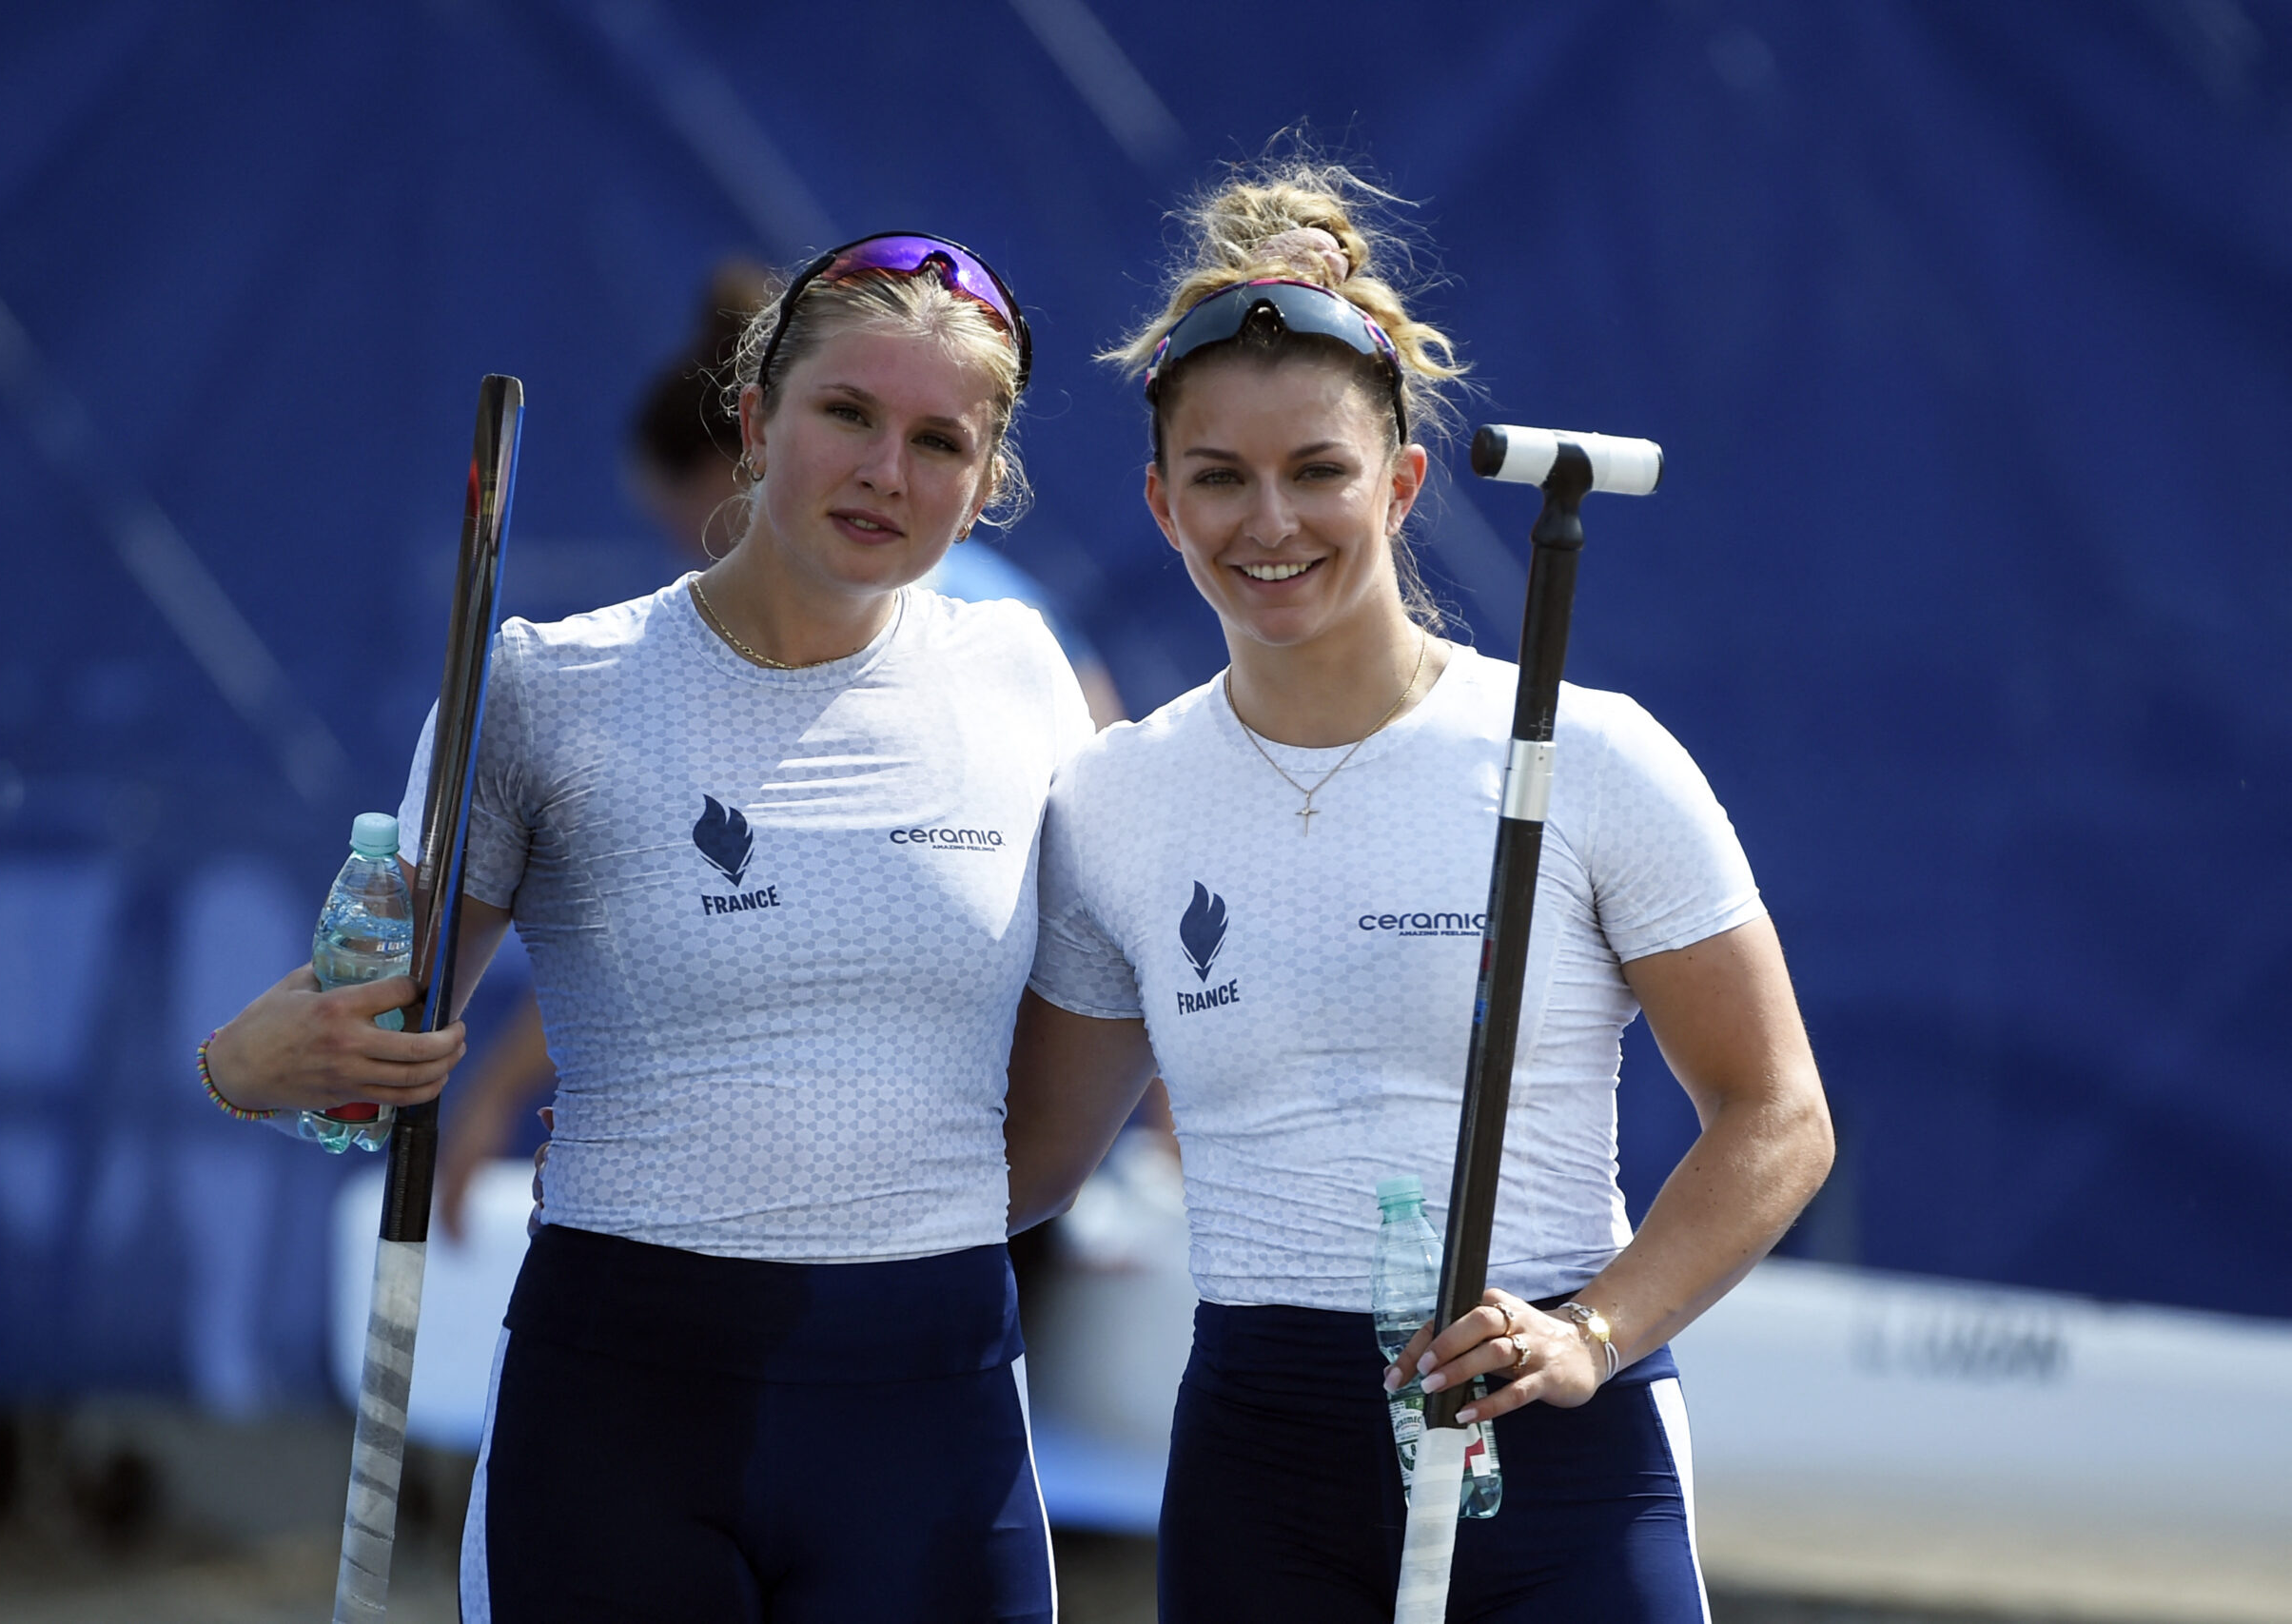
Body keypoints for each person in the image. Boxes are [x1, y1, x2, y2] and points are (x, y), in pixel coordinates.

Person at [201, 232, 1086, 1623]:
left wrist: (908, 1227)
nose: (885, 471)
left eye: (940, 440)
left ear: (985, 485)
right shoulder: (547, 692)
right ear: (753, 420)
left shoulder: (1026, 678)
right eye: (847, 414)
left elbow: (1079, 1063)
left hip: (933, 1405)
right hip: (625, 1409)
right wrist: (249, 1064)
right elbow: (368, 1034)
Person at [1002, 163, 1835, 1623]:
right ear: (1158, 499)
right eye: (1220, 476)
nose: (1272, 521)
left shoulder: (1588, 752)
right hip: (1260, 1471)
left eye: (1318, 469)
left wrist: (1593, 1331)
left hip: (1556, 1447)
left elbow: (1778, 1116)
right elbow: (1027, 1162)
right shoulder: (1116, 797)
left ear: (1399, 480)